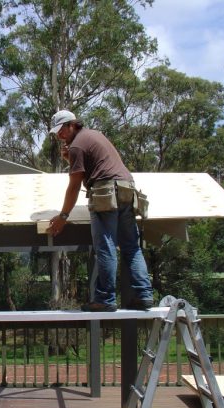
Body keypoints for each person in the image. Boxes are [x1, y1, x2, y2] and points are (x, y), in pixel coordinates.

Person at [46, 110, 153, 312]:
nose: (59, 135)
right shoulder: (95, 135)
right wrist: (72, 159)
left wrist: (63, 217)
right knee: (131, 247)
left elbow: (75, 186)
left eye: (61, 130)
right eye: (56, 133)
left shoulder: (77, 145)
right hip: (127, 190)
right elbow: (100, 165)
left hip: (105, 193)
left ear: (71, 125)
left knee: (106, 248)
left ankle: (104, 299)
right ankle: (144, 295)